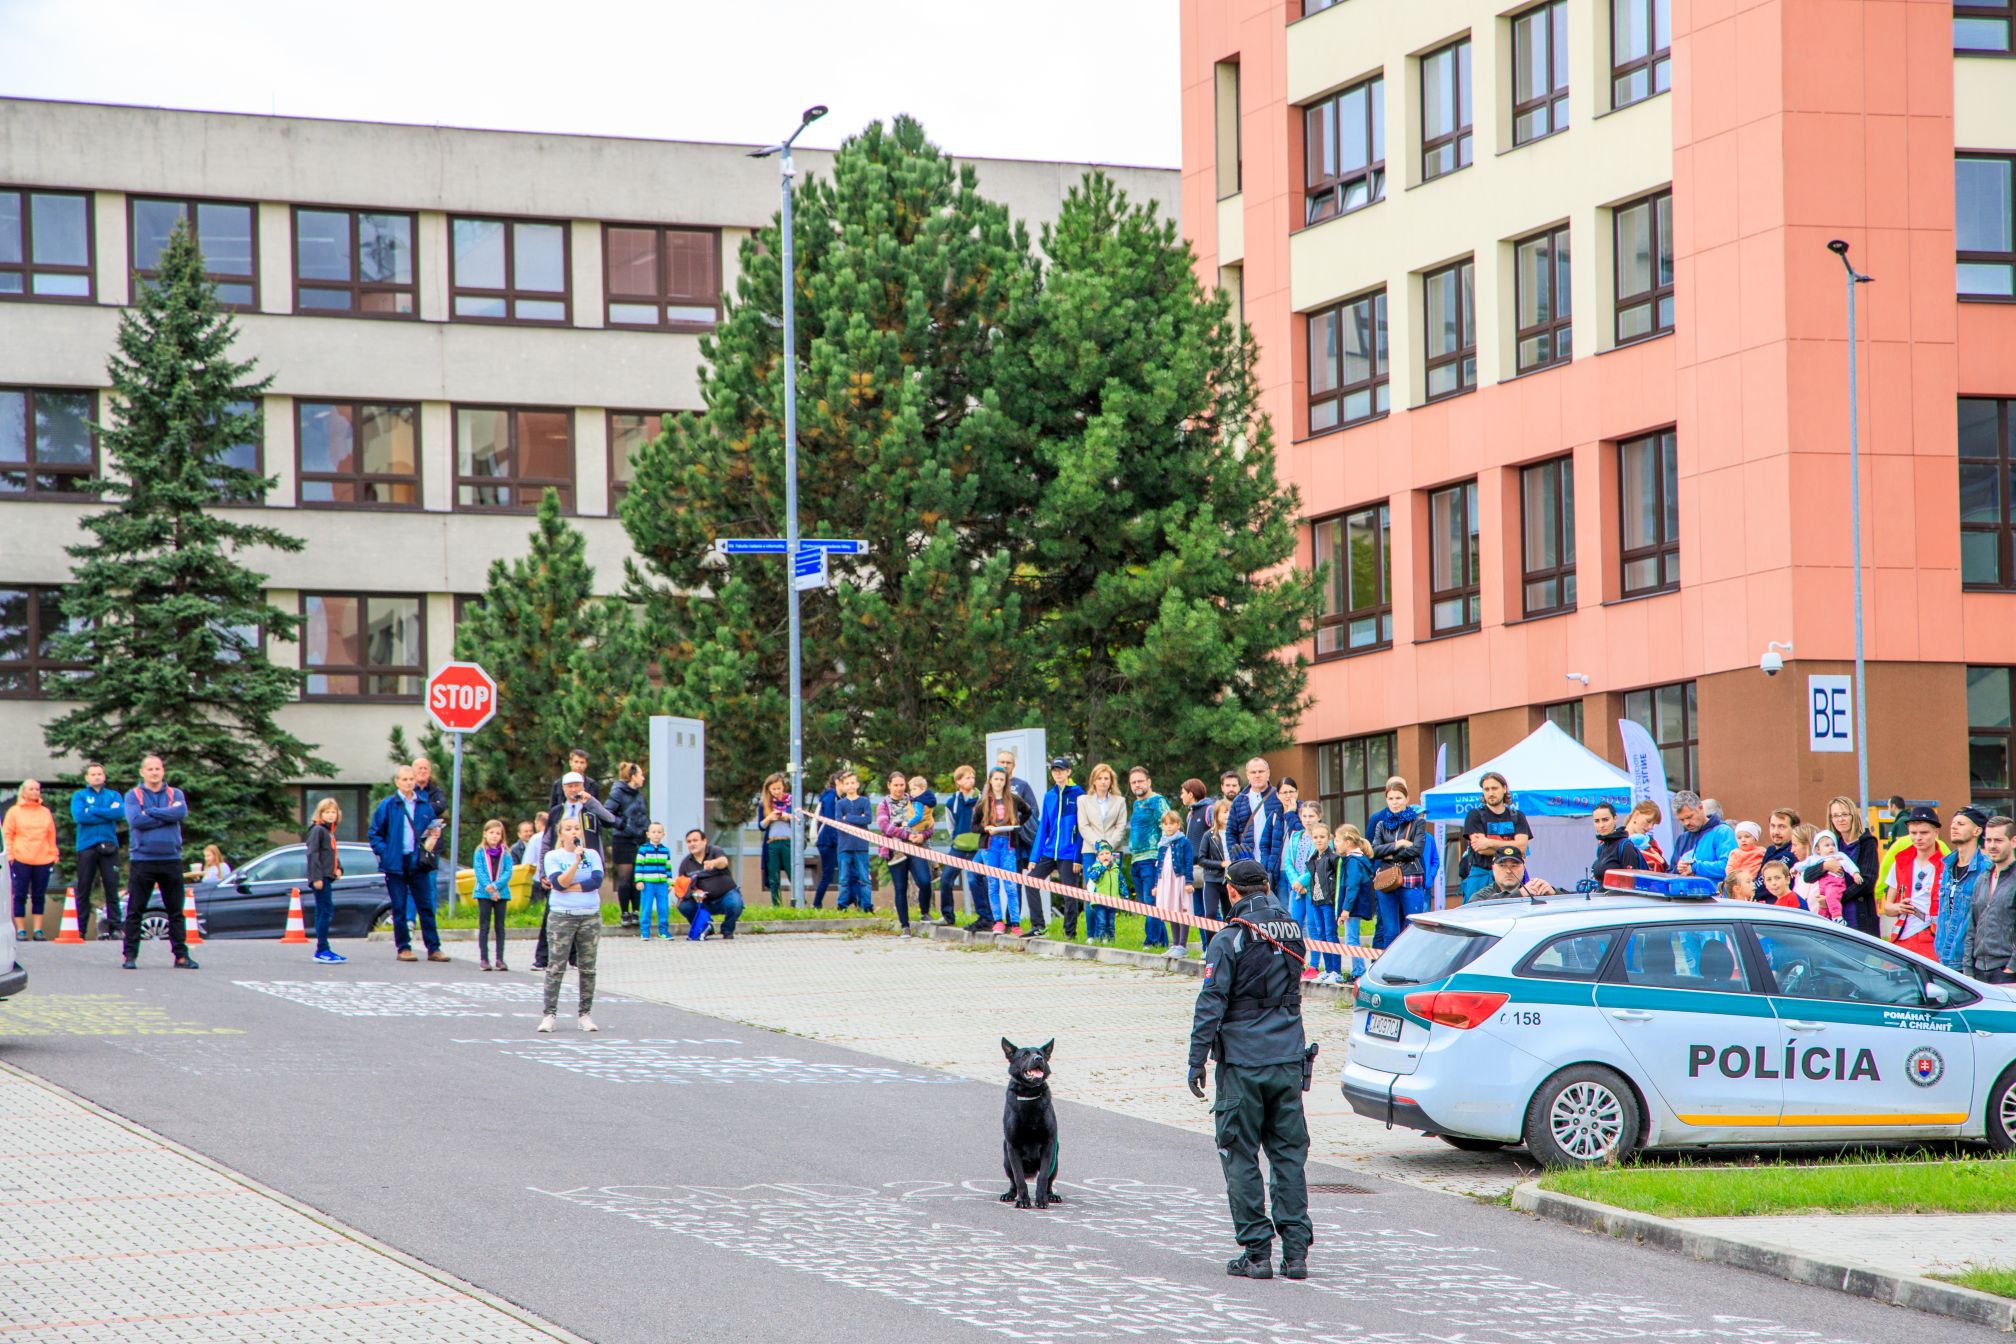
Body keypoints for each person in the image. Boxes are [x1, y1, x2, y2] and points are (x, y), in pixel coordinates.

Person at [1185, 858, 1312, 1282]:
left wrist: (1196, 1058)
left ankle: (1257, 1253)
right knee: (1288, 1155)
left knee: (1239, 1154)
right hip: (1288, 1059)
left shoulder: (1230, 938)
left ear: (1232, 891)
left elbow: (1211, 1001)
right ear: (1268, 885)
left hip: (1243, 1063)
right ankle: (1296, 1254)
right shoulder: (1293, 931)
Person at [535, 772, 618, 970]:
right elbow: (546, 841)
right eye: (569, 786)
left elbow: (611, 820)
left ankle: (575, 957)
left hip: (586, 864)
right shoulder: (557, 811)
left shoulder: (590, 810)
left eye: (577, 785)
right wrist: (543, 872)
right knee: (552, 912)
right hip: (561, 863)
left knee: (581, 911)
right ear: (563, 789)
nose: (573, 790)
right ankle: (543, 957)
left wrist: (592, 803)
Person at [121, 755, 197, 970]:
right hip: (143, 860)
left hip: (171, 859)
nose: (154, 773)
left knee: (176, 911)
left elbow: (180, 812)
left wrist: (152, 812)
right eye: (150, 769)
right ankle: (129, 955)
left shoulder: (175, 793)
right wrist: (167, 815)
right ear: (142, 772)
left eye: (158, 769)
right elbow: (136, 820)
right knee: (135, 910)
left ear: (163, 771)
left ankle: (181, 956)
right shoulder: (133, 795)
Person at [369, 766, 448, 964]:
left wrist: (434, 836)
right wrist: (386, 853)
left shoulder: (424, 805)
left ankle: (434, 948)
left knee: (426, 906)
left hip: (418, 862)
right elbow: (374, 833)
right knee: (399, 907)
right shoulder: (388, 805)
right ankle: (403, 948)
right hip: (395, 862)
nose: (408, 782)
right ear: (397, 782)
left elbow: (431, 832)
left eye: (411, 779)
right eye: (404, 779)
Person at [540, 816, 603, 1032]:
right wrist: (575, 863)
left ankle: (585, 1014)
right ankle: (549, 1014)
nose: (574, 832)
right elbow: (559, 883)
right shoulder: (553, 856)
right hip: (562, 916)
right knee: (556, 967)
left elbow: (596, 881)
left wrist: (569, 887)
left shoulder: (592, 854)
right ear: (561, 834)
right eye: (568, 828)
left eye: (577, 828)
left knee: (588, 968)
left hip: (589, 915)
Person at [1368, 777, 1427, 947]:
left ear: (1407, 799)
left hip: (1411, 877)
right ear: (1386, 800)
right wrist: (1398, 844)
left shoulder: (1418, 822)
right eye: (1391, 798)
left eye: (1399, 798)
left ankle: (1413, 962)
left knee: (1412, 928)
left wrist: (1389, 855)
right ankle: (1391, 963)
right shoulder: (1381, 825)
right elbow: (1374, 851)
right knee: (1390, 931)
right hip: (1387, 879)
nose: (1395, 802)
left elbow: (1417, 850)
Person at [1029, 758, 1085, 939]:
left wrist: (1077, 857)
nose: (1057, 773)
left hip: (1069, 854)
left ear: (1068, 772)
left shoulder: (1079, 795)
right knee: (1030, 882)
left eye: (1061, 770)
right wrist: (1034, 858)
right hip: (1049, 851)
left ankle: (1070, 933)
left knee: (1069, 893)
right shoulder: (1049, 796)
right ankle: (1038, 926)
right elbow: (1042, 829)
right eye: (1054, 770)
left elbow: (1081, 830)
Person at [69, 763, 125, 940]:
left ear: (104, 776)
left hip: (108, 845)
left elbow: (119, 813)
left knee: (111, 887)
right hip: (87, 846)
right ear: (87, 778)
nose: (96, 777)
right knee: (84, 888)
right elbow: (80, 816)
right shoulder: (80, 796)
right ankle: (80, 929)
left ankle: (115, 927)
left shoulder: (113, 795)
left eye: (99, 773)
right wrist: (106, 813)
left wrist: (93, 810)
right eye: (93, 774)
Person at [1883, 806, 1946, 957]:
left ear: (1936, 832)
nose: (1918, 838)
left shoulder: (1946, 866)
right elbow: (1887, 907)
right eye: (1913, 833)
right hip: (1902, 938)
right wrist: (1898, 907)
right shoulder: (1900, 863)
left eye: (1924, 833)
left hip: (1932, 939)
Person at [1961, 815, 2016, 984]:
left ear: (2013, 841)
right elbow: (1972, 927)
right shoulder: (1982, 879)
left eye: (1998, 840)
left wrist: (2011, 968)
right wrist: (1968, 970)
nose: (1992, 846)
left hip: (2006, 972)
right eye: (1988, 840)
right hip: (1978, 972)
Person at [1076, 763, 1127, 944]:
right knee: (1092, 891)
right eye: (1100, 778)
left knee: (1111, 891)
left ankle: (1108, 935)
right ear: (1094, 781)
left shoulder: (1119, 801)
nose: (1103, 782)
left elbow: (1120, 826)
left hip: (1113, 851)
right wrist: (1098, 845)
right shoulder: (1083, 800)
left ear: (1111, 781)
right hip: (1091, 851)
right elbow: (1083, 825)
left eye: (1106, 778)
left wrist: (1108, 847)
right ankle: (1092, 934)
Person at [1936, 806, 1991, 972]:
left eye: (1961, 824)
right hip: (1944, 958)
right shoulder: (1947, 867)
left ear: (1977, 831)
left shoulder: (1986, 869)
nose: (1954, 827)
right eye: (1953, 824)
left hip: (1971, 962)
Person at [875, 771, 932, 931]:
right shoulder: (883, 805)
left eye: (902, 785)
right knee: (900, 888)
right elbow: (884, 826)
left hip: (916, 847)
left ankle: (925, 912)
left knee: (924, 881)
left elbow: (929, 822)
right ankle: (904, 925)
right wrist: (906, 834)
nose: (899, 788)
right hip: (895, 850)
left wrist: (923, 836)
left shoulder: (915, 800)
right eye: (896, 785)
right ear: (889, 785)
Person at [1460, 773, 1532, 899]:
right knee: (1475, 909)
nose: (1490, 793)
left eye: (1494, 788)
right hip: (1482, 875)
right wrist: (1512, 846)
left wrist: (1489, 842)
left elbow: (1521, 847)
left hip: (1512, 875)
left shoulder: (1518, 816)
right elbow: (1480, 848)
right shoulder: (1474, 815)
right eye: (1486, 789)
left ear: (1504, 789)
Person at [5, 780, 58, 942]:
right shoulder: (14, 812)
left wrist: (53, 854)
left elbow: (51, 835)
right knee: (19, 894)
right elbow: (8, 835)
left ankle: (38, 930)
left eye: (37, 789)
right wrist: (10, 856)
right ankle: (21, 930)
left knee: (39, 896)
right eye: (31, 789)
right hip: (21, 858)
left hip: (43, 859)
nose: (35, 792)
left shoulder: (45, 812)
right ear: (23, 791)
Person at [1127, 766, 1173, 950]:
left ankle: (1151, 941)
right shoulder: (1136, 804)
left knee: (1151, 900)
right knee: (1145, 902)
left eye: (1140, 781)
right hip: (1136, 859)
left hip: (1152, 858)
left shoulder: (1157, 801)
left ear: (1149, 782)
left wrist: (1162, 858)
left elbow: (1169, 829)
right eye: (1133, 782)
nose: (1137, 785)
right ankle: (1161, 942)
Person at [978, 767, 1026, 934]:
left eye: (1002, 779)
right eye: (996, 779)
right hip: (989, 846)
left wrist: (1016, 825)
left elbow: (1028, 811)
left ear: (1006, 782)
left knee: (1011, 885)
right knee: (993, 884)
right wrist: (986, 829)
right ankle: (998, 921)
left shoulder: (1013, 799)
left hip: (1008, 845)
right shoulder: (983, 801)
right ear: (990, 781)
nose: (998, 782)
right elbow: (974, 825)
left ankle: (1015, 923)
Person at [1827, 794, 1883, 937]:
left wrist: (1835, 898)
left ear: (1853, 816)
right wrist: (1824, 866)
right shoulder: (1831, 844)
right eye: (1835, 815)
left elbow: (1867, 882)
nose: (1840, 819)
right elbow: (1810, 873)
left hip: (1860, 919)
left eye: (1844, 814)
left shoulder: (1867, 842)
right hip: (1834, 920)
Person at [677, 827, 746, 940]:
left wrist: (713, 863)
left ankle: (727, 929)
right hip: (703, 901)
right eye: (689, 842)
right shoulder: (685, 863)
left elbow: (723, 862)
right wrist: (695, 892)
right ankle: (705, 927)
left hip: (725, 896)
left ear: (704, 841)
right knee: (683, 906)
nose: (692, 844)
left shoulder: (715, 851)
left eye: (695, 840)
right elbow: (682, 884)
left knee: (735, 903)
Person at [304, 796, 348, 963]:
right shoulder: (318, 830)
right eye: (327, 812)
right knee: (326, 911)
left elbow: (331, 853)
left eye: (333, 812)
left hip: (327, 876)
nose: (330, 815)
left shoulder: (328, 831)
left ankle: (323, 948)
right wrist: (317, 877)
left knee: (323, 911)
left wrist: (338, 867)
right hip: (320, 877)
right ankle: (322, 949)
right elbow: (313, 854)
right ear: (320, 814)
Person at [938, 765, 982, 928]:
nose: (971, 780)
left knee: (978, 881)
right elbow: (951, 826)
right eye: (967, 778)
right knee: (946, 879)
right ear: (958, 781)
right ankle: (948, 916)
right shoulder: (952, 802)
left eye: (972, 777)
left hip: (977, 848)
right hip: (958, 848)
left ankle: (985, 917)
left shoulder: (982, 799)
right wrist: (957, 839)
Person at [467, 818, 513, 971]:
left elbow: (507, 872)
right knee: (484, 925)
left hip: (501, 893)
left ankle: (500, 959)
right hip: (484, 892)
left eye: (498, 833)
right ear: (485, 834)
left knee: (500, 926)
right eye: (491, 832)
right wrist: (489, 888)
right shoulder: (480, 852)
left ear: (502, 836)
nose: (494, 836)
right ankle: (484, 959)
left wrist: (496, 887)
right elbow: (479, 871)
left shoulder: (506, 853)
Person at [607, 762, 649, 926]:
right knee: (625, 877)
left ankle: (636, 911)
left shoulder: (638, 794)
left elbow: (641, 814)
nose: (643, 778)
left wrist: (646, 828)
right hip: (622, 839)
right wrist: (624, 826)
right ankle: (625, 912)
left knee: (637, 877)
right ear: (633, 776)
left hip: (638, 839)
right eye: (641, 774)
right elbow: (607, 813)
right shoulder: (617, 792)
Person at [1227, 757, 1284, 877]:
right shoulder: (1239, 800)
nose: (1257, 775)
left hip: (1275, 863)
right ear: (1247, 775)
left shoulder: (1279, 797)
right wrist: (1236, 859)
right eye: (1253, 772)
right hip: (1248, 863)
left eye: (1261, 771)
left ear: (1268, 772)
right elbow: (1231, 833)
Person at [1303, 822, 1343, 985]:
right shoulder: (1313, 858)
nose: (1319, 840)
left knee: (1331, 933)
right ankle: (1328, 969)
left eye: (1322, 837)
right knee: (1321, 934)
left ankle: (1337, 971)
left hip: (1328, 901)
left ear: (1328, 838)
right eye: (1315, 837)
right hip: (1316, 900)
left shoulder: (1333, 858)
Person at [1336, 824, 1376, 979]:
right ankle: (1358, 971)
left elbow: (1352, 886)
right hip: (1355, 904)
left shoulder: (1353, 861)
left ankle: (1359, 972)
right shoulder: (1357, 859)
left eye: (1338, 840)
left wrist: (1346, 909)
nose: (1335, 844)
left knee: (1351, 939)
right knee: (1352, 938)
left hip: (1354, 906)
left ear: (1347, 842)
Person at [1154, 806, 1195, 956]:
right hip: (1166, 882)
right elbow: (1159, 866)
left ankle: (1182, 945)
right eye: (1165, 824)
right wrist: (1156, 885)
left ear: (1178, 825)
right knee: (1171, 909)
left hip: (1179, 880)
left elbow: (1188, 862)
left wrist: (1189, 882)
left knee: (1182, 909)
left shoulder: (1184, 842)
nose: (1169, 827)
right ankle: (1175, 943)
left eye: (1172, 823)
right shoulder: (1162, 844)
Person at [832, 769, 874, 914]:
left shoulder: (864, 801)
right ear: (843, 786)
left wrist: (848, 818)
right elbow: (839, 823)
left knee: (864, 878)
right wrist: (858, 818)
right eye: (847, 783)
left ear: (857, 784)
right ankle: (841, 906)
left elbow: (867, 819)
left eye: (852, 783)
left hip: (861, 846)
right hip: (844, 846)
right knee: (843, 878)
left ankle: (867, 906)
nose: (850, 786)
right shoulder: (840, 804)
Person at [1671, 792, 1736, 881]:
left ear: (1700, 808)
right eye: (1681, 820)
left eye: (1689, 817)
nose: (1686, 823)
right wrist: (1680, 869)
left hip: (1716, 890)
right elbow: (1671, 872)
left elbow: (1730, 868)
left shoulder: (1723, 832)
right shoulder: (1683, 838)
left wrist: (1695, 867)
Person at [1195, 798, 1232, 953]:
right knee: (1210, 913)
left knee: (1230, 915)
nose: (1227, 815)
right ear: (1216, 815)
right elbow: (1201, 859)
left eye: (1229, 812)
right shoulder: (1209, 835)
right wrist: (1220, 864)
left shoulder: (1234, 834)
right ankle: (1210, 948)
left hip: (1230, 881)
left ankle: (1228, 947)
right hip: (1212, 879)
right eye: (1224, 812)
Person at [756, 771, 793, 909]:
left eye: (779, 788)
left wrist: (787, 816)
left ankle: (798, 902)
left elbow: (799, 820)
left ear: (783, 787)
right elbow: (761, 826)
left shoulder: (792, 801)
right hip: (772, 842)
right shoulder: (764, 804)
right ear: (768, 790)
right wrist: (769, 818)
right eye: (774, 789)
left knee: (792, 873)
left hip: (788, 841)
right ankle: (776, 905)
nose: (777, 791)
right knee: (773, 876)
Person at [1589, 802, 1646, 887]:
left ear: (1615, 819)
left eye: (1605, 820)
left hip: (1620, 895)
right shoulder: (1601, 848)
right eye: (1597, 821)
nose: (1601, 825)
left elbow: (1631, 885)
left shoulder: (1626, 846)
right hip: (1602, 895)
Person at [636, 822, 674, 940]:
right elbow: (639, 865)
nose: (656, 834)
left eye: (659, 832)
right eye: (653, 832)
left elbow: (668, 868)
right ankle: (645, 932)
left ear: (663, 834)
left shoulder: (665, 850)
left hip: (662, 884)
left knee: (663, 908)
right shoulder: (643, 849)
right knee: (646, 907)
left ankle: (663, 931)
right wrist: (639, 880)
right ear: (648, 834)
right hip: (648, 883)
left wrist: (670, 883)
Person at [1473, 846, 1557, 900]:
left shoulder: (1535, 891)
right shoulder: (1481, 897)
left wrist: (1554, 893)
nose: (1509, 871)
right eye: (1502, 866)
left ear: (1524, 868)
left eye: (1514, 866)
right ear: (1493, 868)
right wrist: (1520, 894)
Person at [812, 770, 843, 909]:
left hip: (831, 840)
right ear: (838, 782)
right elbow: (831, 822)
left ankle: (817, 904)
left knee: (834, 873)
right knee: (829, 874)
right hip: (827, 841)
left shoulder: (836, 797)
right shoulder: (831, 797)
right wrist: (840, 842)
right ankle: (816, 903)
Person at [1083, 841, 1122, 942]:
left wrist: (1124, 894)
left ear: (1111, 855)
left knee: (1111, 923)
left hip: (1112, 900)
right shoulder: (1095, 868)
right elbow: (1093, 877)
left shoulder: (1115, 868)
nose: (1105, 856)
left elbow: (1121, 881)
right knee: (1102, 923)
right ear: (1097, 857)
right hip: (1099, 901)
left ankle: (1111, 941)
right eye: (1102, 854)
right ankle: (1100, 940)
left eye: (1107, 853)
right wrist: (1103, 867)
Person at [1273, 777, 1304, 904]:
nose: (1288, 795)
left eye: (1291, 791)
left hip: (1299, 870)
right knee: (1283, 907)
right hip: (1280, 869)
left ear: (1297, 792)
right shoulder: (1275, 814)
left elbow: (1301, 834)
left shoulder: (1304, 811)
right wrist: (1268, 865)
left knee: (1298, 908)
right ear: (1278, 795)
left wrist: (1291, 814)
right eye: (1284, 792)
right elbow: (1265, 843)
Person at [1624, 800, 1668, 871]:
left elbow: (1664, 871)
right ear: (1636, 815)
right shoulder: (1615, 839)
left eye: (1653, 824)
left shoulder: (1651, 843)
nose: (1650, 827)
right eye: (1648, 821)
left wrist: (1663, 863)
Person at [1761, 809, 1800, 882]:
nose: (1776, 832)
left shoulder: (1791, 854)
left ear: (1794, 829)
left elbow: (1763, 884)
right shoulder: (1770, 849)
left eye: (1781, 827)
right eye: (1772, 826)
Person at [1725, 821, 1766, 887]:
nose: (1743, 840)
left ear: (1755, 838)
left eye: (1747, 836)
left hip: (1760, 882)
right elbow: (1730, 870)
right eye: (1739, 838)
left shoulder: (1762, 851)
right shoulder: (1736, 853)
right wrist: (1736, 881)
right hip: (1742, 884)